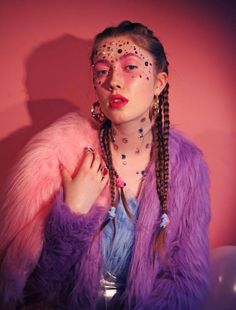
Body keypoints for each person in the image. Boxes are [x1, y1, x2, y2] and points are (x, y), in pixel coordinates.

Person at [0, 21, 211, 310]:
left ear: (159, 83)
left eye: (130, 67)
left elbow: (185, 279)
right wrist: (72, 213)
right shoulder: (59, 156)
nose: (113, 80)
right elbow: (30, 291)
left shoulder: (188, 167)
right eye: (102, 71)